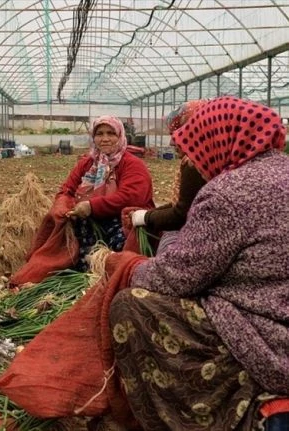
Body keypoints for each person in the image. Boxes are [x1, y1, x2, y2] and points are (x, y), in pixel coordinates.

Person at [110, 96, 289, 430]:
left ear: (217, 140)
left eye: (194, 148)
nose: (192, 159)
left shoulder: (228, 191)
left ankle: (194, 415)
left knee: (131, 306)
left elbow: (179, 277)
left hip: (270, 338)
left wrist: (130, 266)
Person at [10, 115, 155, 285]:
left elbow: (131, 196)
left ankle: (113, 274)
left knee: (119, 250)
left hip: (122, 220)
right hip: (91, 221)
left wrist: (92, 206)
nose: (105, 138)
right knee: (71, 240)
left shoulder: (132, 164)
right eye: (99, 134)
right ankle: (82, 272)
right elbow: (67, 189)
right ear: (93, 138)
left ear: (120, 136)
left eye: (111, 133)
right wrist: (63, 206)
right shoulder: (88, 163)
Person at [126, 100, 207, 252]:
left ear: (196, 130)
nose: (171, 142)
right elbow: (182, 204)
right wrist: (149, 214)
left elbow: (181, 215)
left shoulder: (194, 164)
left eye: (177, 134)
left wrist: (145, 217)